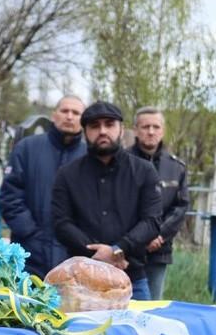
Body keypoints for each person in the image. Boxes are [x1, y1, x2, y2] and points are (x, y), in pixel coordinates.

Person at [51, 101, 162, 299]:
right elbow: (61, 223)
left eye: (109, 124)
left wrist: (118, 249)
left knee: (136, 331)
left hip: (131, 281)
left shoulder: (144, 171)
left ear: (121, 130)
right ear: (85, 132)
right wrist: (98, 255)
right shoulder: (67, 175)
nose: (102, 131)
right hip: (80, 284)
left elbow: (152, 221)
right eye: (94, 126)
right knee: (79, 331)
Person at [0, 95, 86, 277]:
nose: (69, 116)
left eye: (76, 113)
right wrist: (30, 233)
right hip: (30, 253)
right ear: (54, 115)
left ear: (83, 120)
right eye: (64, 111)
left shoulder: (89, 156)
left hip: (74, 258)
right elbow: (10, 195)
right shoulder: (27, 148)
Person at [128, 106, 189, 300]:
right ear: (136, 129)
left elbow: (180, 207)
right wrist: (139, 237)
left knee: (153, 308)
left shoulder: (176, 167)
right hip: (126, 250)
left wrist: (159, 235)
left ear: (163, 130)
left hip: (159, 250)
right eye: (145, 127)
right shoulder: (121, 162)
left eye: (156, 126)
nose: (151, 131)